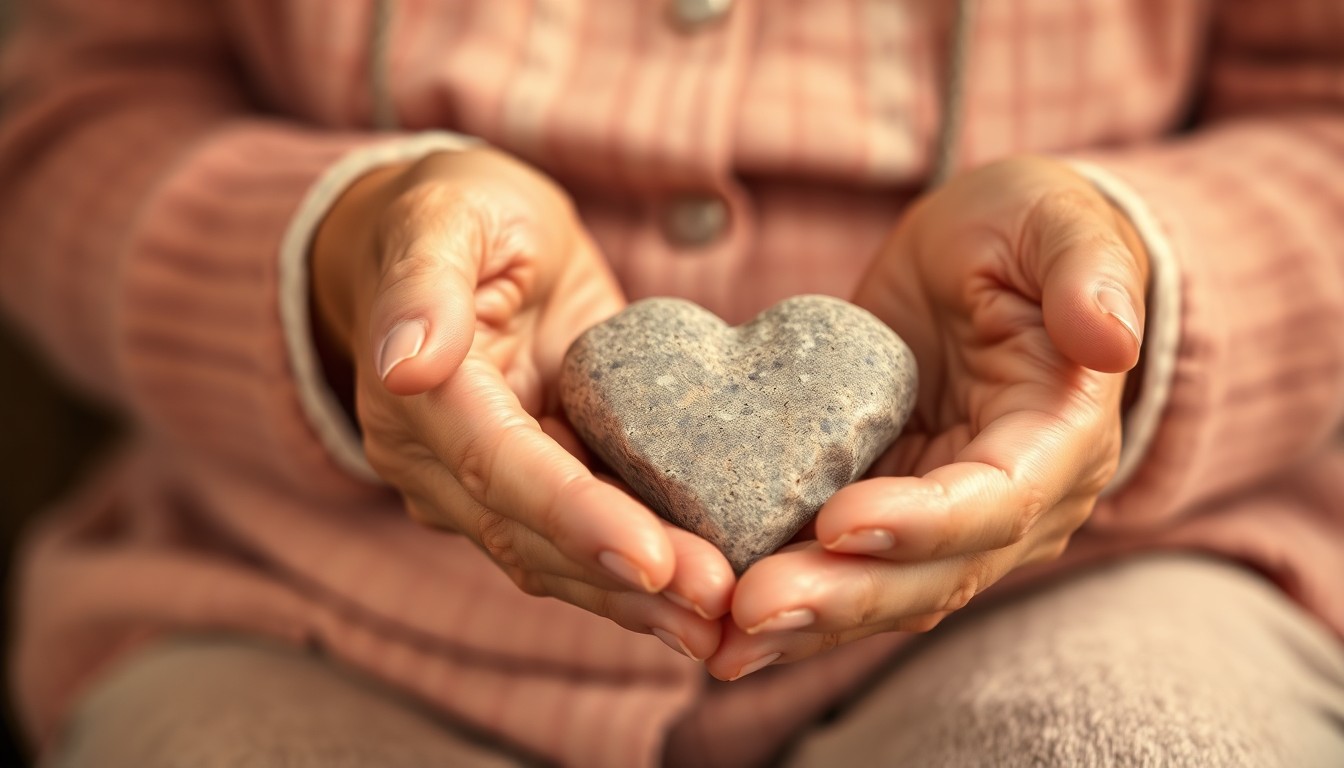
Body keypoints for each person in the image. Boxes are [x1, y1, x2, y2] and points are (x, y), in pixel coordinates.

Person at [2, 0, 1342, 765]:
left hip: (1109, 568)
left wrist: (1125, 300)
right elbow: (71, 110)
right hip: (306, 601)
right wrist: (349, 258)